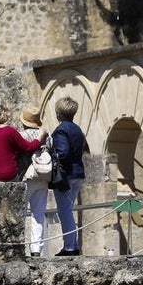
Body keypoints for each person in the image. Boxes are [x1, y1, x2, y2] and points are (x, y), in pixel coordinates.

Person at [0, 98, 46, 182]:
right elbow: (28, 147)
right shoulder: (10, 131)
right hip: (9, 175)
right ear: (4, 113)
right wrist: (40, 135)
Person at [50, 97, 86, 257]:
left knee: (64, 211)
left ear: (59, 113)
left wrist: (50, 154)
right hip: (78, 172)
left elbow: (62, 152)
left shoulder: (61, 130)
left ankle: (70, 247)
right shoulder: (77, 129)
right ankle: (73, 244)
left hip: (66, 175)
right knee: (68, 210)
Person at [18, 105, 49, 257]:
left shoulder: (21, 135)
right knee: (38, 214)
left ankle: (20, 245)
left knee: (21, 213)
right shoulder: (46, 135)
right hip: (43, 176)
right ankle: (36, 249)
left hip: (26, 176)